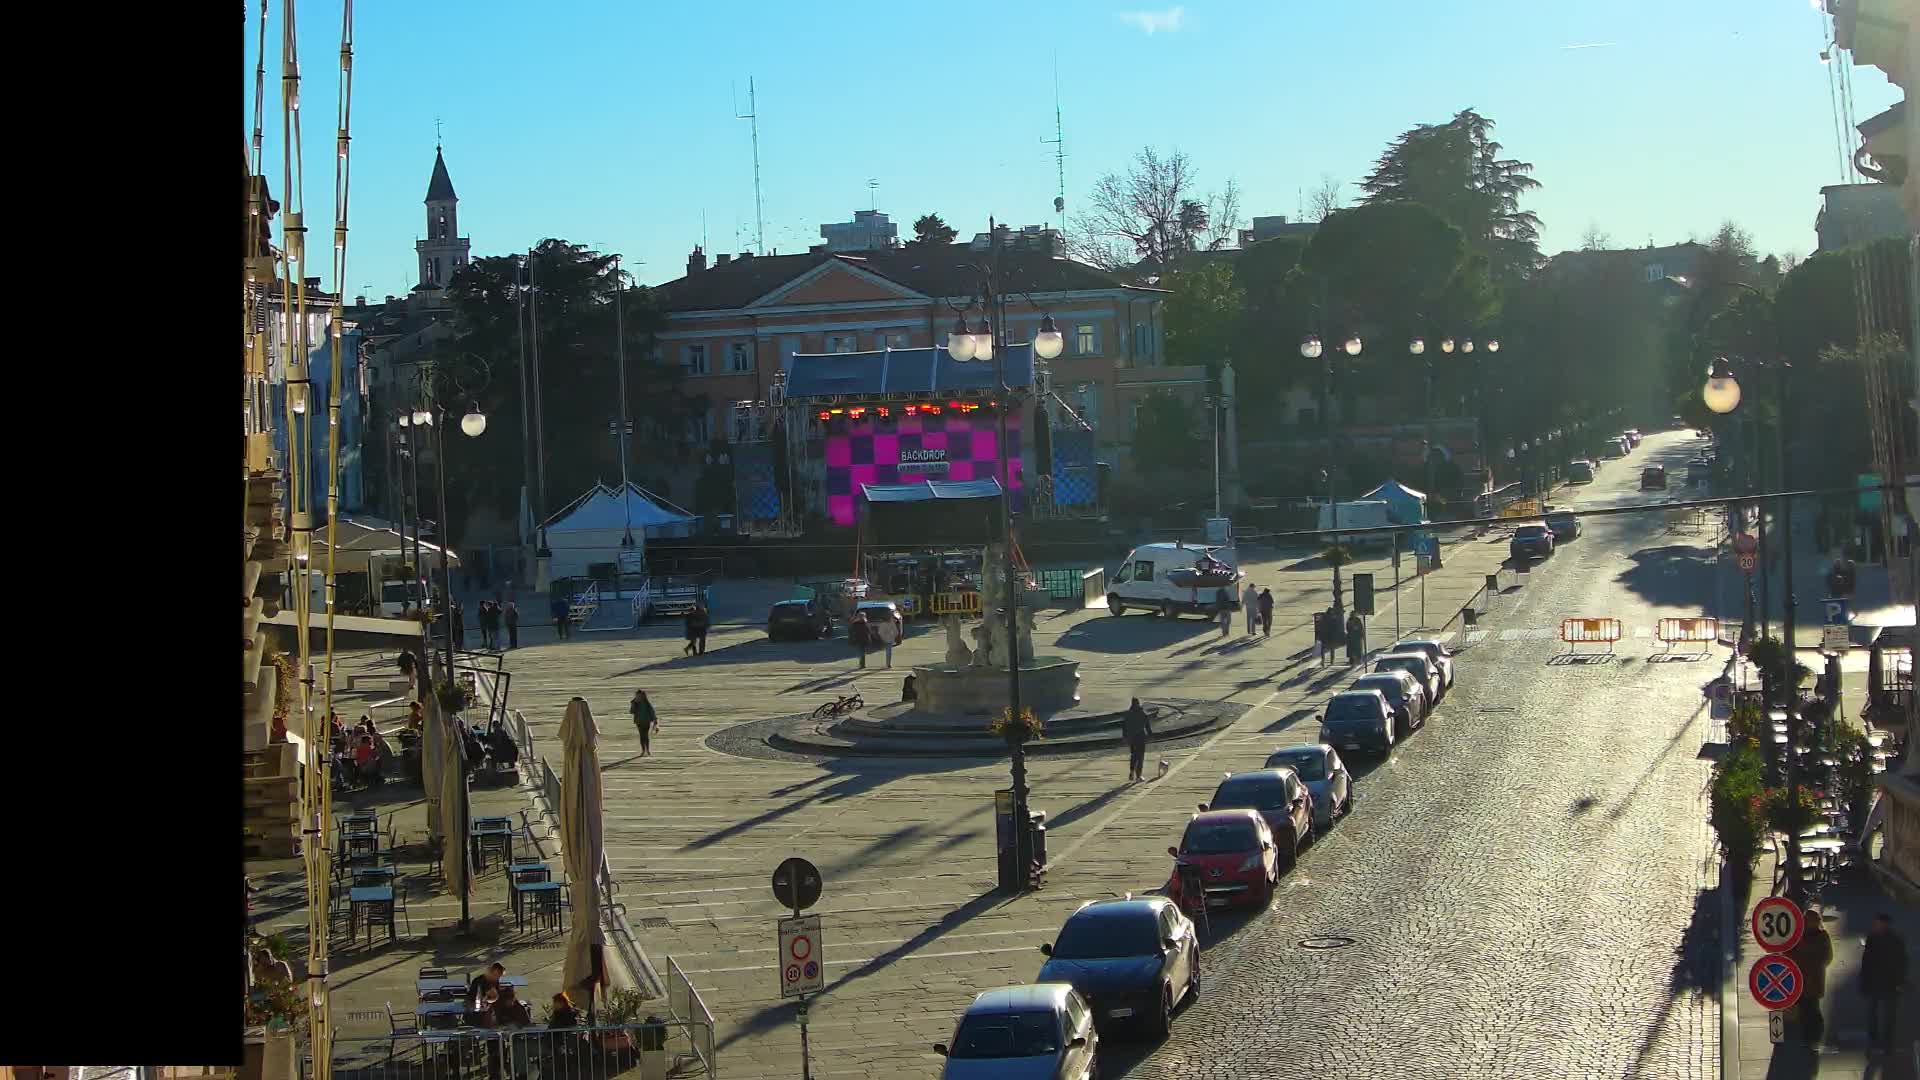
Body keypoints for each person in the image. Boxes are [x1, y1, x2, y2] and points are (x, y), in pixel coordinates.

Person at [1862, 912, 1909, 1054]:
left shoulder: (1895, 940)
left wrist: (1900, 980)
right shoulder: (1873, 938)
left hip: (1890, 983)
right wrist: (1864, 979)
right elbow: (1866, 961)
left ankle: (1887, 1042)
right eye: (1876, 923)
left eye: (1879, 923)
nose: (1877, 926)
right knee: (1873, 1013)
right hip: (1876, 982)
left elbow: (1902, 962)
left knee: (1888, 1015)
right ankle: (1874, 1039)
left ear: (1886, 924)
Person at [1789, 906, 1834, 1047]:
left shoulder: (1822, 936)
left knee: (1812, 1009)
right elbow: (1790, 954)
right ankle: (1808, 1036)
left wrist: (1815, 965)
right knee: (1804, 1009)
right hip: (1800, 979)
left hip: (1814, 981)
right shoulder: (1798, 936)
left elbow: (1827, 957)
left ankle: (1814, 1036)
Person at [1122, 698, 1153, 782]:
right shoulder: (1142, 713)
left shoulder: (1128, 714)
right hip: (1140, 737)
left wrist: (1125, 737)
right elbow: (1147, 726)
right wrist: (1150, 735)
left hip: (1132, 738)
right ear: (1138, 704)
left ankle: (1132, 771)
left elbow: (1124, 727)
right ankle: (1138, 776)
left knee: (1133, 756)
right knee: (1140, 757)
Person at [631, 689, 659, 756]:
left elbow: (652, 712)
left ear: (642, 696)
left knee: (646, 736)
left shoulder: (647, 704)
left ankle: (648, 750)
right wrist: (633, 704)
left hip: (646, 721)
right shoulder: (635, 703)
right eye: (636, 696)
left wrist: (655, 722)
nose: (637, 697)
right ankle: (643, 750)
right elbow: (632, 711)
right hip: (639, 722)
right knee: (641, 736)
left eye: (639, 696)